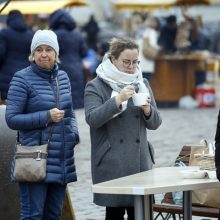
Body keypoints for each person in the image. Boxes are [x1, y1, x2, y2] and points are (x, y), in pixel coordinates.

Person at [84, 37, 162, 220]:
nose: (131, 66)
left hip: (140, 163)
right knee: (114, 214)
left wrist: (148, 110)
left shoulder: (142, 83)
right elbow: (92, 119)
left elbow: (156, 123)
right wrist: (117, 101)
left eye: (135, 62)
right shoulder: (96, 85)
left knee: (141, 215)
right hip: (112, 163)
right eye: (126, 62)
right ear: (113, 59)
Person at [5, 30, 79, 220]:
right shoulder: (22, 78)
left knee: (54, 215)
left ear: (56, 53)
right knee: (33, 215)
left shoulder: (62, 77)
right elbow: (12, 119)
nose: (44, 54)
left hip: (61, 158)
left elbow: (70, 113)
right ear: (32, 54)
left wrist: (73, 136)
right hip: (34, 157)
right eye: (39, 49)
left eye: (48, 49)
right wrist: (46, 116)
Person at [49, 9, 87, 109]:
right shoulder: (77, 34)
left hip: (60, 68)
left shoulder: (54, 35)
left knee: (62, 100)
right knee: (76, 104)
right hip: (77, 69)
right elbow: (84, 52)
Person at [0, 10, 33, 105]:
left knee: (6, 108)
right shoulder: (30, 35)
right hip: (26, 76)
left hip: (6, 77)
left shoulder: (4, 33)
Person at [138, 16, 160, 80]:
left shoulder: (143, 32)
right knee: (145, 83)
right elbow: (154, 46)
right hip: (147, 63)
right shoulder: (152, 32)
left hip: (140, 63)